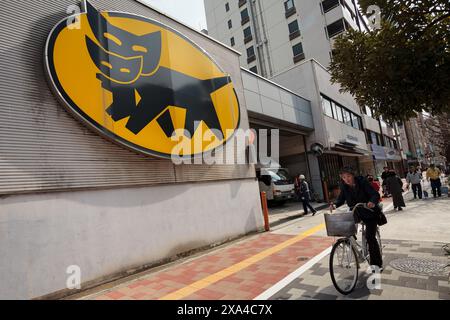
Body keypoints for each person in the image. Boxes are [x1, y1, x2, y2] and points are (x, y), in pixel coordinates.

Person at [329, 167, 383, 270]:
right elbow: (340, 199)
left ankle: (377, 264)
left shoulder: (362, 182)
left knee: (370, 237)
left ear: (353, 175)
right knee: (346, 230)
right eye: (344, 177)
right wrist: (335, 205)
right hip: (356, 213)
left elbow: (374, 194)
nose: (346, 179)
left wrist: (371, 202)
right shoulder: (344, 187)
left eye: (348, 176)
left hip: (370, 213)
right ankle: (356, 251)